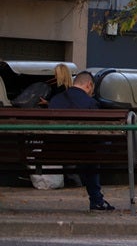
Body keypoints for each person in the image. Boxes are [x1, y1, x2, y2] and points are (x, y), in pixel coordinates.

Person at [47, 71, 115, 211]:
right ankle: (96, 200)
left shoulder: (55, 100)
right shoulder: (91, 103)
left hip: (55, 151)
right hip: (85, 153)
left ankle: (96, 199)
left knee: (88, 151)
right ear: (89, 85)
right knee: (94, 151)